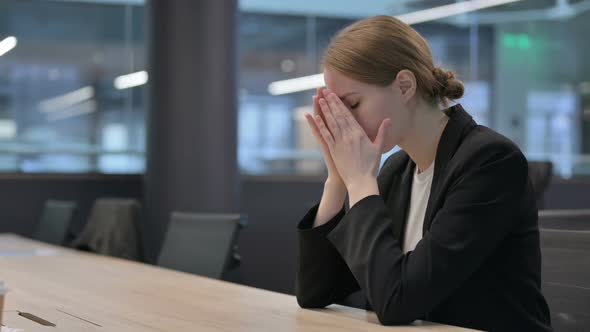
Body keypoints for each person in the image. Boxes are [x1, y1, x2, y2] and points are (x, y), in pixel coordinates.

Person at [295, 15, 552, 332]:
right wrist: (337, 180)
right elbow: (315, 291)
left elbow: (397, 303)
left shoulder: (489, 162)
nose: (344, 124)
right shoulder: (396, 170)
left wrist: (361, 181)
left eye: (353, 104)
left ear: (404, 85)